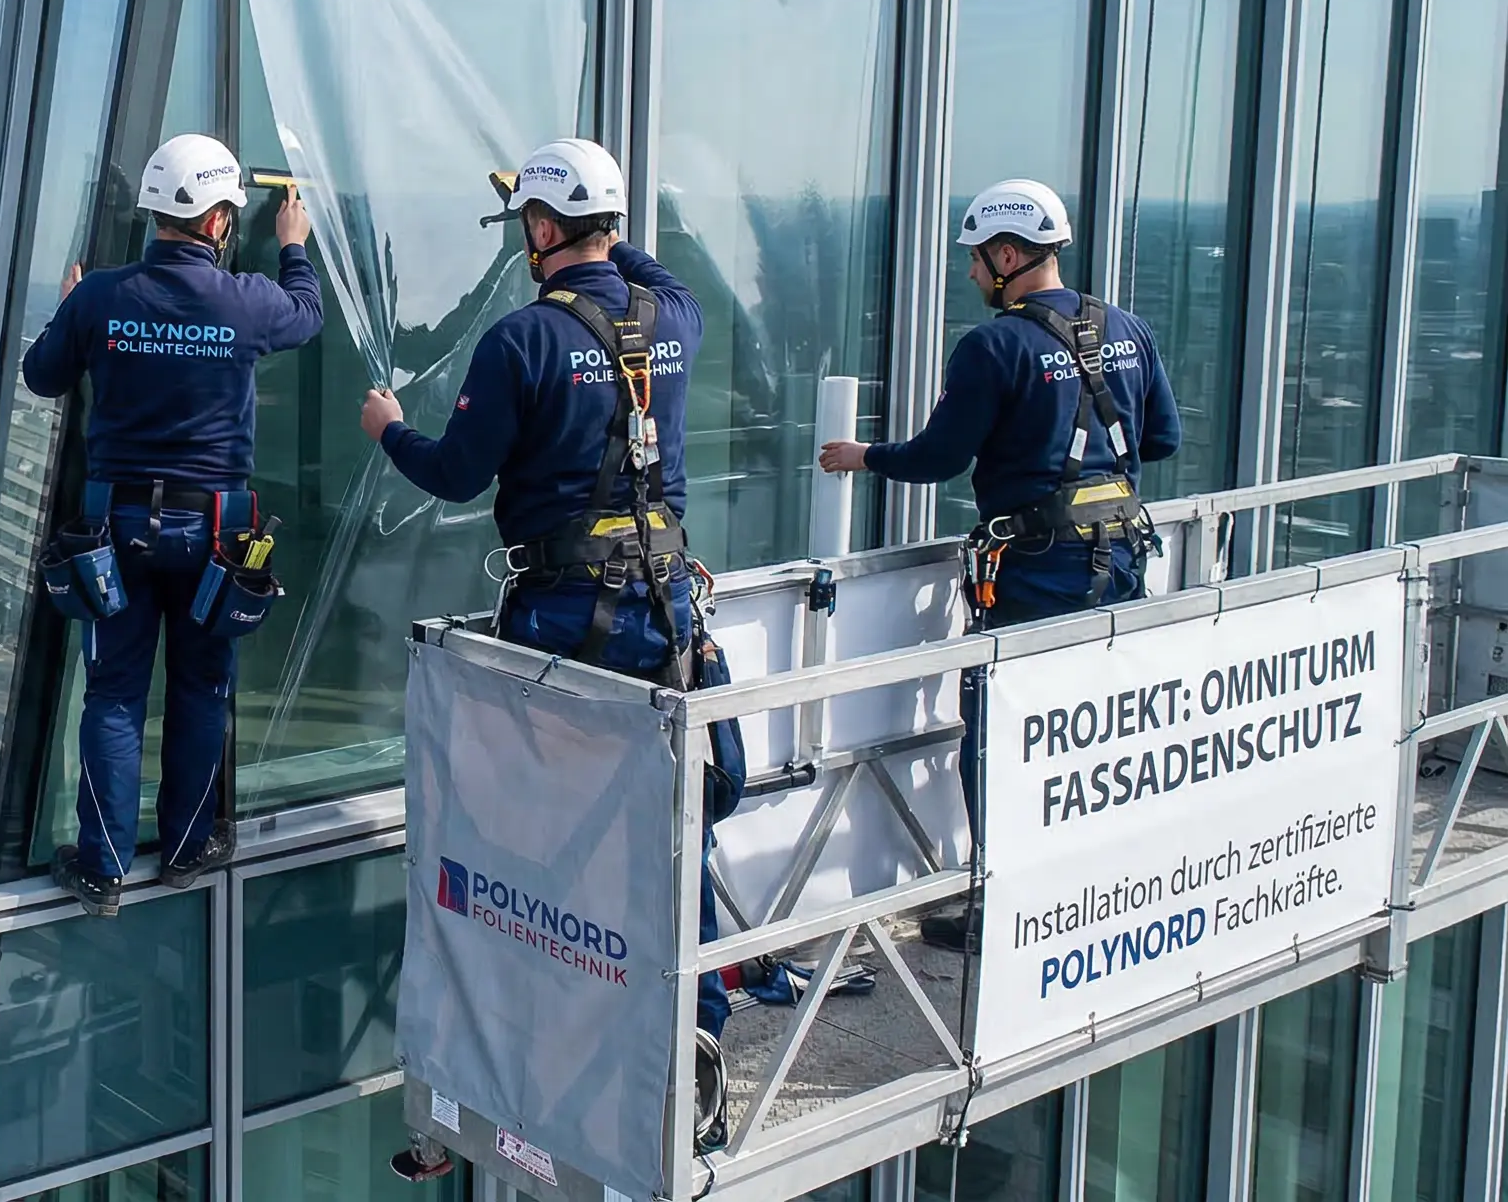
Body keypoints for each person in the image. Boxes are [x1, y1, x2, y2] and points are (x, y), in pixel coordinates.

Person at [359, 138, 737, 1171]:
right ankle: (696, 1026)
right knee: (671, 831)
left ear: (536, 230)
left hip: (564, 617)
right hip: (663, 613)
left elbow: (451, 472)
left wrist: (388, 428)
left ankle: (523, 1065)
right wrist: (585, 220)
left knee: (532, 844)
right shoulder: (676, 323)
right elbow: (648, 279)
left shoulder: (521, 341)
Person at [819, 178, 1179, 952]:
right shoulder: (1126, 328)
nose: (973, 275)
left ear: (1009, 255)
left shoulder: (995, 345)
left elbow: (940, 456)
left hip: (1039, 571)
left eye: (978, 261)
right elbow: (1161, 441)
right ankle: (1092, 884)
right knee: (1090, 728)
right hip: (1117, 559)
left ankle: (1010, 906)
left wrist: (862, 455)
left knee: (1005, 734)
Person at [20, 133, 321, 917]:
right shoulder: (246, 299)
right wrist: (293, 246)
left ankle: (105, 866)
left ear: (156, 214)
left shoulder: (102, 298)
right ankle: (187, 850)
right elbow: (307, 314)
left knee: (114, 694)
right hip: (215, 531)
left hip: (116, 527)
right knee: (200, 687)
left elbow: (41, 375)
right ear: (220, 222)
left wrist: (69, 311)